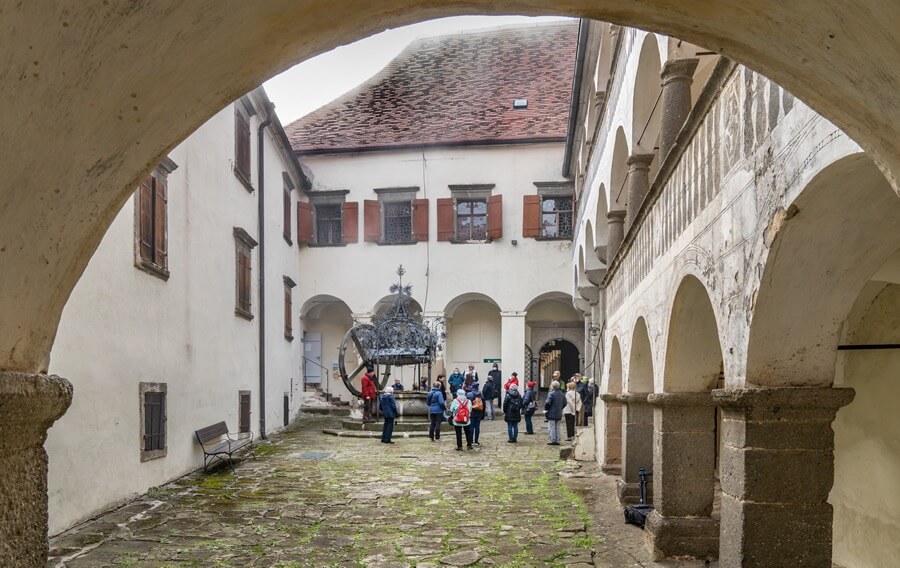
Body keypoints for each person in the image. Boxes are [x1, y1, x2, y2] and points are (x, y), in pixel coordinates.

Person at [544, 380, 565, 445]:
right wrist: (560, 408)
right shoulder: (561, 394)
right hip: (559, 412)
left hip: (552, 412)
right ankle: (558, 440)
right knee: (558, 427)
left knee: (552, 426)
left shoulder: (551, 394)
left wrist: (546, 409)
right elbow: (565, 402)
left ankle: (553, 439)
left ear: (553, 386)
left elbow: (547, 403)